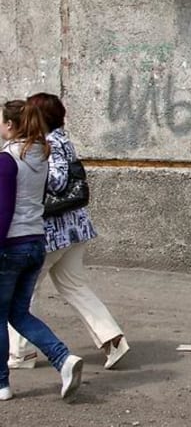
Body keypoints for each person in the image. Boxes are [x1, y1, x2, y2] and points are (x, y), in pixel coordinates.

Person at [7, 93, 129, 372]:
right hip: (74, 230)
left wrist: (32, 173)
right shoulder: (59, 139)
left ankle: (21, 352)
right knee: (73, 285)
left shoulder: (50, 143)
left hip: (55, 233)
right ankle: (113, 339)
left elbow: (59, 182)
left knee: (24, 290)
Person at [0, 99, 83, 401]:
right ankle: (63, 359)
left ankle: (2, 384)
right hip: (35, 241)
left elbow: (4, 210)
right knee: (18, 313)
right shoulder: (40, 154)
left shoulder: (8, 159)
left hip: (11, 246)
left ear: (10, 125)